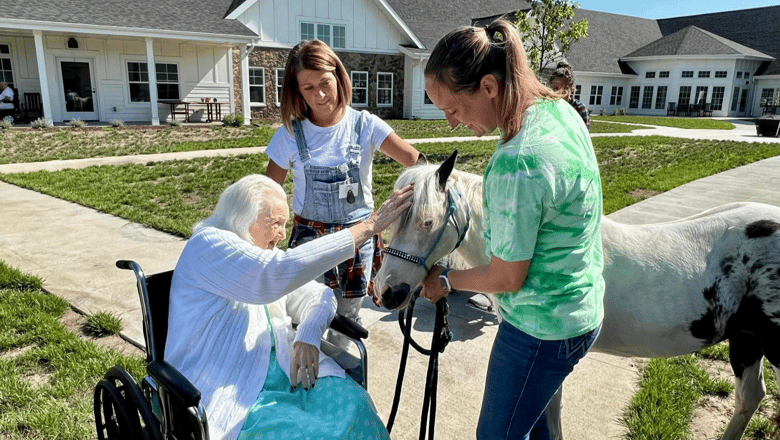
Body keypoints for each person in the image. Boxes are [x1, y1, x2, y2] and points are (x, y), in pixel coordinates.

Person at [420, 20, 605, 440]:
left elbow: (506, 277)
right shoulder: (558, 110)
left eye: (453, 109)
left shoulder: (516, 163)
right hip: (580, 309)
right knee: (536, 426)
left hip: (540, 328)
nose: (450, 123)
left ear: (488, 87)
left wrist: (445, 280)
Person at [165, 174, 413, 440]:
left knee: (357, 406)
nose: (283, 234)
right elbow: (273, 275)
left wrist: (309, 332)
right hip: (228, 382)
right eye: (276, 224)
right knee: (315, 435)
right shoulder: (208, 245)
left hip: (282, 369)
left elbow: (320, 295)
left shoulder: (264, 255)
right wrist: (368, 227)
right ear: (243, 216)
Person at [265, 39, 423, 332]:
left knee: (347, 321)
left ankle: (345, 374)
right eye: (308, 88)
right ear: (297, 91)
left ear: (338, 76)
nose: (320, 95)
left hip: (358, 242)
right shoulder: (290, 135)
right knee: (306, 319)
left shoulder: (366, 125)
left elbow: (419, 164)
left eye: (325, 82)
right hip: (310, 244)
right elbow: (266, 194)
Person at [549, 61, 590, 131]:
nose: (559, 93)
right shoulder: (547, 107)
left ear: (572, 88)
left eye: (564, 88)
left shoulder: (579, 109)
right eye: (556, 88)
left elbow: (585, 137)